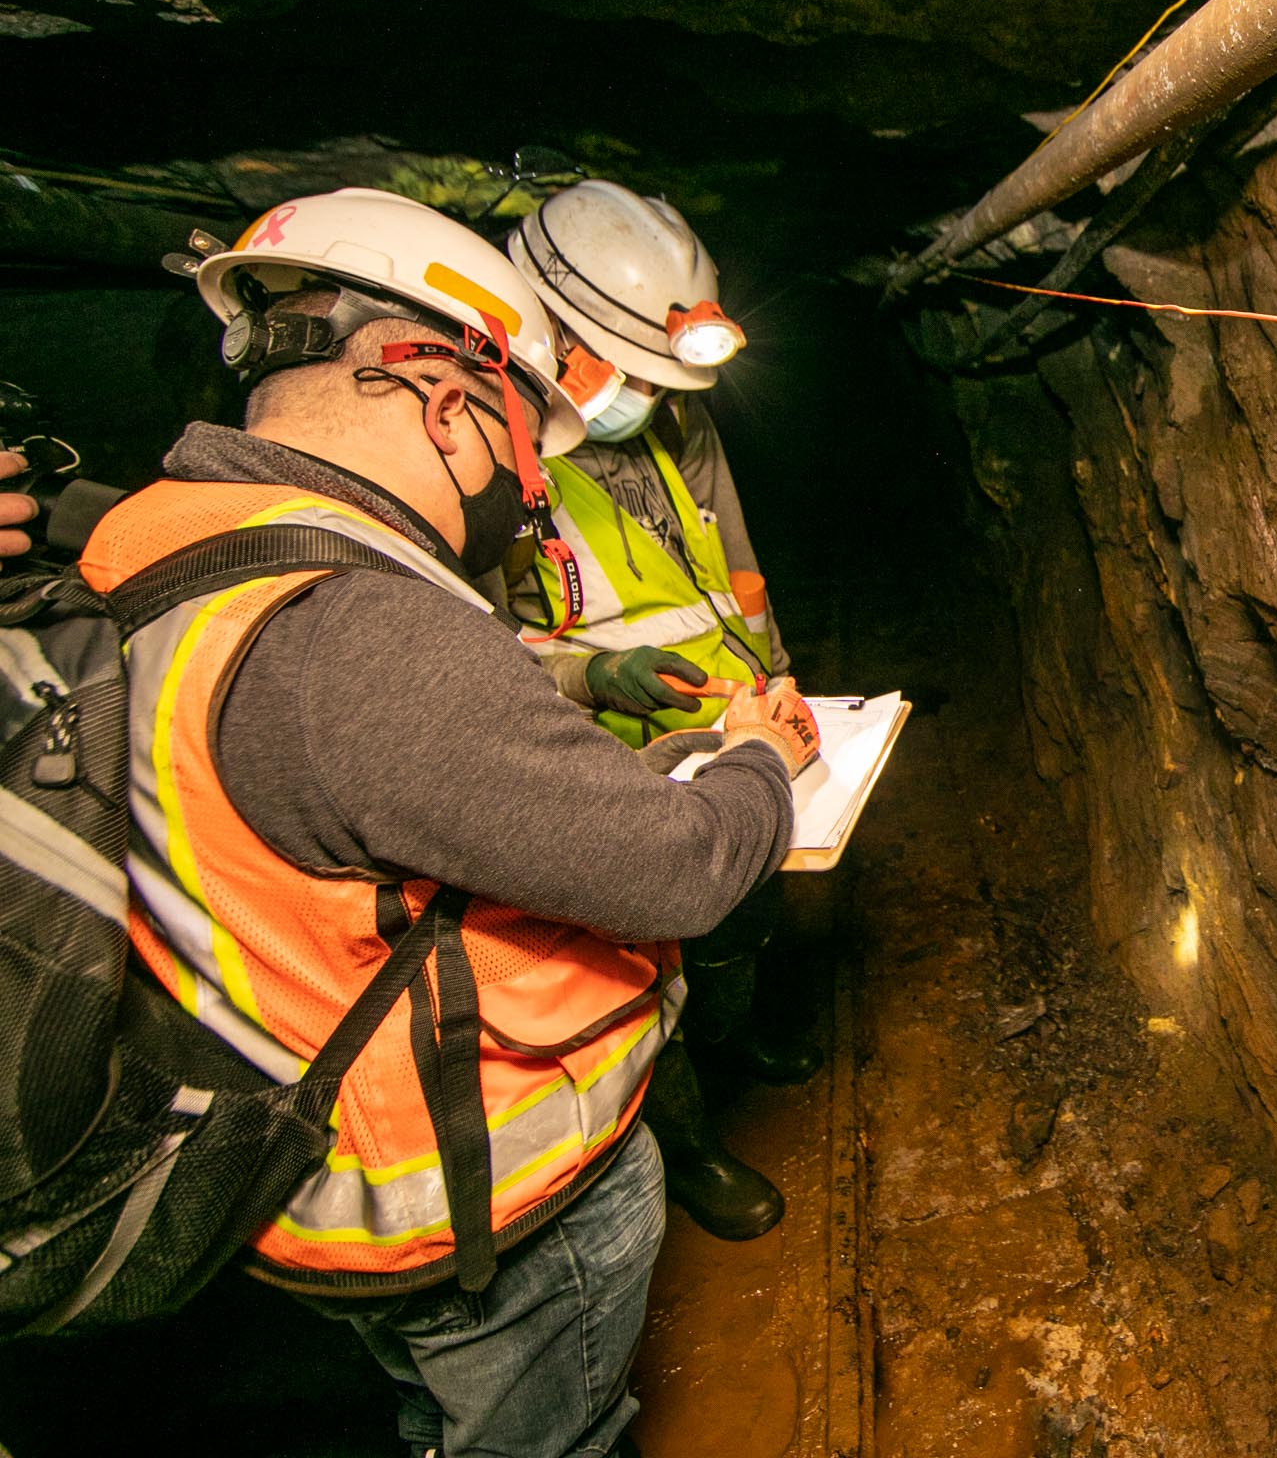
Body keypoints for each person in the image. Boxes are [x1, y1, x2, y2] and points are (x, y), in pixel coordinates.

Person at [80, 187, 818, 1458]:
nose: (526, 490)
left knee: (455, 1417)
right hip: (476, 1202)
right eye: (527, 443)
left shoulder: (155, 551)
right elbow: (679, 868)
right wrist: (756, 757)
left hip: (313, 1170)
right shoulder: (357, 629)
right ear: (449, 401)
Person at [493, 180, 813, 1243]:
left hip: (725, 725)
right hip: (592, 767)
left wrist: (779, 676)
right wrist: (590, 680)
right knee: (636, 976)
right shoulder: (486, 458)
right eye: (626, 370)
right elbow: (462, 653)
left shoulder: (677, 418)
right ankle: (690, 1147)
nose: (644, 394)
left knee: (744, 901)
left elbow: (738, 563)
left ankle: (742, 1040)